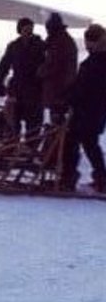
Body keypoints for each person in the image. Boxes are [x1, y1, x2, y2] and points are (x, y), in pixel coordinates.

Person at [58, 22, 106, 193]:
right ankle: (100, 179)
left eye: (90, 41)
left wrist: (70, 99)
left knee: (73, 144)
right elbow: (80, 85)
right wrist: (67, 96)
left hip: (88, 112)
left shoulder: (98, 63)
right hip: (90, 112)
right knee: (89, 144)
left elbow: (87, 88)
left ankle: (68, 179)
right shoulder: (94, 61)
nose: (87, 44)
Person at [0, 17, 46, 140]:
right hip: (16, 91)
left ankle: (30, 151)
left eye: (30, 28)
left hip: (35, 91)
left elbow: (48, 66)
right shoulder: (13, 46)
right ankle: (11, 148)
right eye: (25, 28)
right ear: (20, 30)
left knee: (34, 126)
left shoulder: (41, 46)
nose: (28, 31)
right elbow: (4, 65)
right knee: (12, 124)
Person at [39, 12, 78, 127]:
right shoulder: (62, 40)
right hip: (62, 91)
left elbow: (54, 66)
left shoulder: (60, 42)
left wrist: (40, 72)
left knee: (57, 123)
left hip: (59, 91)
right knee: (58, 122)